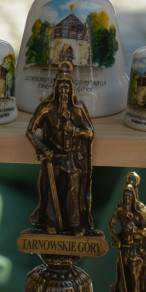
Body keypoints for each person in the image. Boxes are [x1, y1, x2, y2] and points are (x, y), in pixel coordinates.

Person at [26, 62, 96, 236]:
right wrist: (43, 148)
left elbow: (89, 133)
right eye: (61, 88)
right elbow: (30, 131)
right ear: (55, 88)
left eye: (67, 88)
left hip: (72, 158)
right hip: (54, 157)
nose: (64, 92)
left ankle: (75, 223)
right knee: (52, 190)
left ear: (71, 89)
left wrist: (75, 130)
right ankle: (51, 222)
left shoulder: (78, 109)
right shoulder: (46, 109)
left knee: (73, 191)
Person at [106, 172, 146, 292]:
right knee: (122, 273)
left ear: (134, 196)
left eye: (129, 196)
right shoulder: (121, 209)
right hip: (124, 247)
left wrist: (135, 230)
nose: (127, 198)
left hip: (136, 249)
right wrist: (116, 238)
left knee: (134, 274)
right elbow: (111, 224)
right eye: (125, 195)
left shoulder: (140, 211)